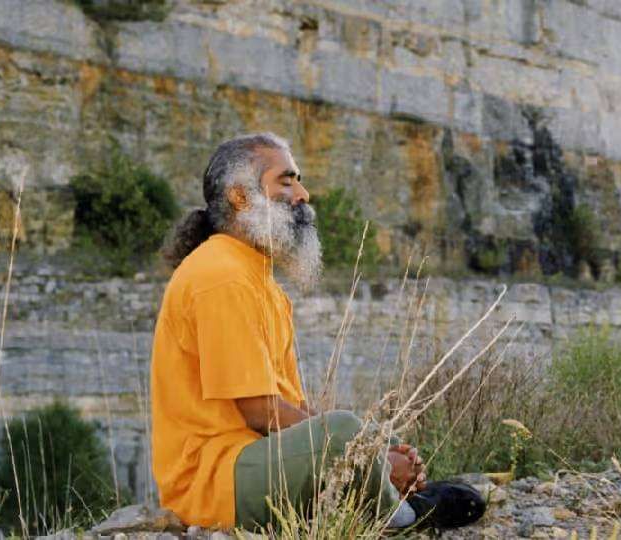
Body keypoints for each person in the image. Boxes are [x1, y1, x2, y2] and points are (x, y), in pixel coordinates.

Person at [150, 132, 484, 532]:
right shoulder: (222, 276)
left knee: (348, 432)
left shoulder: (256, 278)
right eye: (286, 181)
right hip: (214, 484)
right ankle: (405, 518)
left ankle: (381, 494)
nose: (303, 194)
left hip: (255, 461)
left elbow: (290, 409)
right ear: (240, 197)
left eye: (299, 180)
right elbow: (261, 412)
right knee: (342, 430)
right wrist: (362, 452)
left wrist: (372, 452)